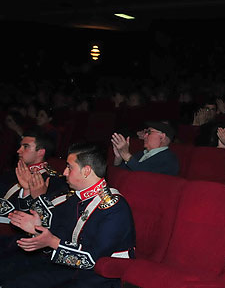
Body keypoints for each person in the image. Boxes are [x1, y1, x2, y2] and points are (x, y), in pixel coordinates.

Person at [2, 143, 135, 288]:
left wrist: (51, 241)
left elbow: (92, 259)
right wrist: (37, 227)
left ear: (86, 171)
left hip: (93, 278)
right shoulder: (76, 197)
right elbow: (57, 229)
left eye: (69, 167)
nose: (64, 172)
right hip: (63, 267)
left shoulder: (115, 208)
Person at [0, 129, 67, 224]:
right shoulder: (9, 174)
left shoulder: (53, 181)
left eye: (26, 147)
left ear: (40, 152)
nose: (19, 151)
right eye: (20, 146)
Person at [112, 121, 179, 175]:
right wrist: (119, 158)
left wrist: (125, 154)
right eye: (146, 132)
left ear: (162, 137)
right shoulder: (141, 154)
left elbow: (144, 176)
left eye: (149, 132)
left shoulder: (169, 159)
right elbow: (119, 174)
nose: (144, 136)